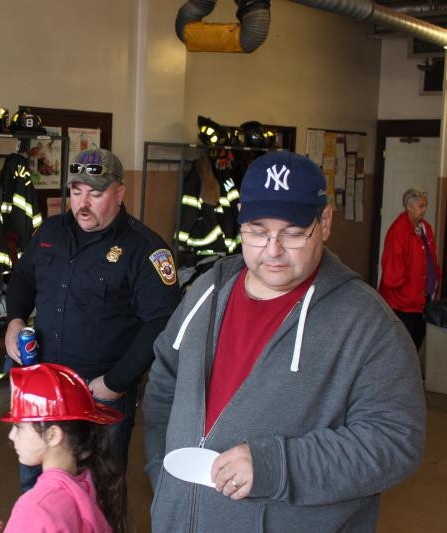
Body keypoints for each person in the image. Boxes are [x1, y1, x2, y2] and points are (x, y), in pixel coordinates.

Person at [143, 151, 427, 532]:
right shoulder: (208, 290)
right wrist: (163, 472)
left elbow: (394, 441)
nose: (273, 250)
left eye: (293, 233)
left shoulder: (367, 324)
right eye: (258, 230)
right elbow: (164, 378)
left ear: (324, 222)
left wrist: (276, 466)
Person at [4, 148, 181, 490]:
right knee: (34, 484)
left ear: (119, 193)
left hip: (98, 392)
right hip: (42, 384)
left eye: (96, 193)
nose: (83, 203)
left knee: (98, 490)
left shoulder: (144, 249)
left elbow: (161, 323)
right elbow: (23, 278)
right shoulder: (50, 232)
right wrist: (14, 320)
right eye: (76, 191)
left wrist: (115, 383)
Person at [0, 363, 127, 533]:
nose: (11, 436)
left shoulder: (35, 507)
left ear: (52, 435)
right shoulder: (88, 483)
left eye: (19, 427)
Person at [379, 186, 441, 351]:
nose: (425, 210)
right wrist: (409, 288)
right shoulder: (399, 231)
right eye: (421, 206)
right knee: (402, 348)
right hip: (403, 304)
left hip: (421, 300)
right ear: (409, 207)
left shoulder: (425, 228)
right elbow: (392, 273)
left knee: (416, 345)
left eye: (425, 205)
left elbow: (430, 259)